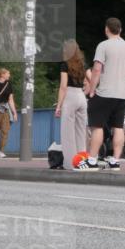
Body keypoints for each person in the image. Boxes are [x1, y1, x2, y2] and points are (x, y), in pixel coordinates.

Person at [86, 17, 125, 170]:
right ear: (120, 30)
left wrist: (92, 89)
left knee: (97, 126)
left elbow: (96, 69)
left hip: (105, 92)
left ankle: (92, 161)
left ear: (106, 29)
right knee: (118, 127)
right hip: (123, 94)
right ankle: (115, 161)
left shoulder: (103, 46)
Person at [55, 40, 92, 171]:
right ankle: (82, 162)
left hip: (70, 97)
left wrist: (59, 106)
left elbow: (63, 86)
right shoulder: (83, 63)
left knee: (67, 133)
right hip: (81, 97)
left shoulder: (65, 64)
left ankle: (70, 164)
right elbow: (92, 80)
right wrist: (86, 92)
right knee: (81, 132)